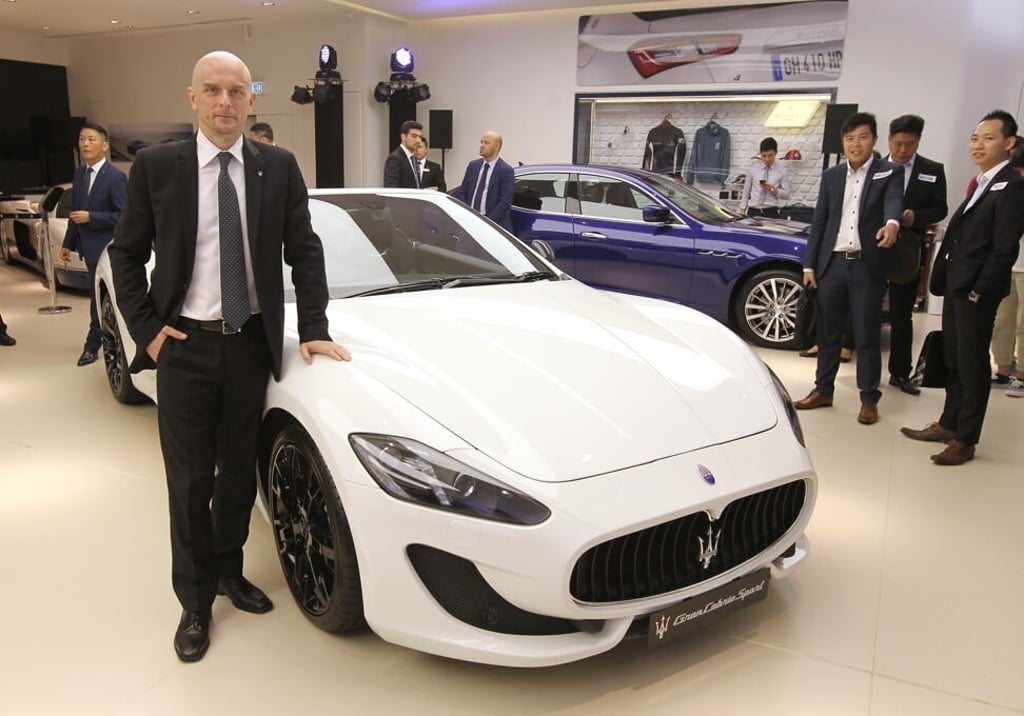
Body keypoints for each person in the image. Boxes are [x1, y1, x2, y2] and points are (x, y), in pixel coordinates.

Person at [107, 50, 350, 662]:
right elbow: (126, 254)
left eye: (236, 92)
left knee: (240, 476)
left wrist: (314, 327)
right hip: (184, 348)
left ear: (251, 99)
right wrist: (149, 332)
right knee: (189, 483)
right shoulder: (158, 168)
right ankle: (193, 602)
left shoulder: (277, 166)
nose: (224, 103)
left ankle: (227, 570)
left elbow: (306, 250)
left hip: (249, 345)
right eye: (212, 91)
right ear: (192, 98)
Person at [901, 110, 1024, 464]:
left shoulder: (1012, 186)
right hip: (957, 285)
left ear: (1009, 143)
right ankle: (948, 423)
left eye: (988, 138)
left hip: (975, 291)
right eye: (974, 138)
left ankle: (965, 439)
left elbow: (1005, 247)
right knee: (954, 359)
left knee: (972, 364)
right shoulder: (982, 182)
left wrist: (979, 289)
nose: (978, 145)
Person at [794, 112, 904, 426]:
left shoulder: (889, 172)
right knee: (828, 333)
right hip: (832, 265)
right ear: (843, 142)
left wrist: (893, 223)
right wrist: (810, 264)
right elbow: (820, 222)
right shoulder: (832, 175)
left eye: (863, 137)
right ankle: (823, 390)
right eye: (850, 138)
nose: (856, 144)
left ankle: (869, 399)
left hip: (867, 267)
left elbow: (894, 203)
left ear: (874, 140)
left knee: (866, 334)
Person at [884, 114, 948, 395]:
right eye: (897, 144)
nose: (901, 151)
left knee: (901, 314)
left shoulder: (932, 170)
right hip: (871, 249)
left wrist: (916, 216)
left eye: (908, 145)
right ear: (889, 140)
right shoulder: (874, 167)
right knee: (859, 308)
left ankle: (900, 373)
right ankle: (851, 359)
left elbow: (940, 209)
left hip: (908, 250)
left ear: (918, 142)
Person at [59, 122, 128, 367]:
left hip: (108, 251)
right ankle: (96, 342)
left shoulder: (116, 177)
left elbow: (125, 216)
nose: (85, 144)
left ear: (105, 145)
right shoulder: (80, 175)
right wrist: (68, 243)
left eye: (91, 139)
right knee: (95, 300)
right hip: (89, 251)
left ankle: (94, 345)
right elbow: (75, 213)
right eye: (82, 139)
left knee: (105, 300)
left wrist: (93, 217)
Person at [990, 137, 1024, 397]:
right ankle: (1002, 369)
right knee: (1003, 319)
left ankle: (1022, 375)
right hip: (1008, 263)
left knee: (1023, 323)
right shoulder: (1009, 187)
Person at [450, 130, 515, 232]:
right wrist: (466, 215)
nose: (482, 145)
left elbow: (505, 202)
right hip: (470, 221)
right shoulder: (473, 165)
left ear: (497, 146)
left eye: (486, 143)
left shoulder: (506, 171)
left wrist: (486, 222)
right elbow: (463, 191)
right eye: (481, 142)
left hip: (493, 225)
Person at [740, 137, 790, 218]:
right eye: (764, 156)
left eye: (770, 155)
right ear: (760, 154)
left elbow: (787, 195)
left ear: (776, 153)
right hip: (753, 211)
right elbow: (746, 192)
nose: (767, 159)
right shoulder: (753, 169)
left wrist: (772, 189)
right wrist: (742, 211)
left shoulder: (782, 171)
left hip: (771, 212)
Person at [382, 120, 424, 188]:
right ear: (403, 137)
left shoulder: (413, 159)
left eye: (420, 137)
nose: (418, 140)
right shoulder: (395, 159)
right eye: (414, 136)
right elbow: (391, 189)